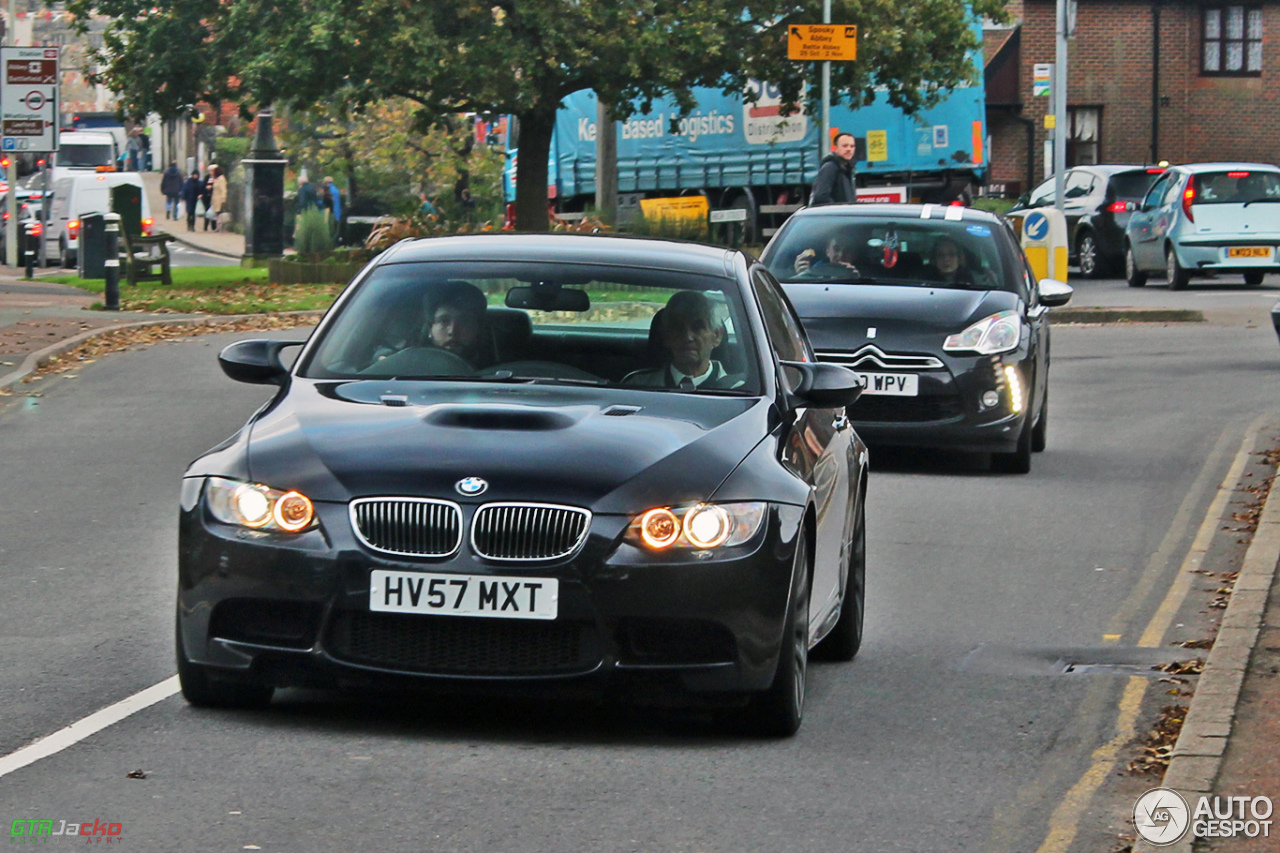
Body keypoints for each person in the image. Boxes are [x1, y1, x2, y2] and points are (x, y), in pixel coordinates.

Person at [624, 291, 743, 390]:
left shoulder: (739, 390)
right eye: (678, 328)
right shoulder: (637, 387)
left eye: (698, 328)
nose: (688, 337)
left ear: (717, 336)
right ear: (666, 337)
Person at [422, 280, 491, 367]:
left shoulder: (495, 370)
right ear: (430, 328)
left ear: (478, 327)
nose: (453, 331)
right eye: (444, 321)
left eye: (464, 321)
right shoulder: (412, 367)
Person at [811, 132, 857, 205]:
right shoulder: (829, 167)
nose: (849, 149)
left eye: (852, 146)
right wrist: (840, 210)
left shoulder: (848, 169)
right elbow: (821, 197)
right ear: (835, 148)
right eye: (845, 146)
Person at [794, 233, 861, 276]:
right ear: (828, 252)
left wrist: (856, 280)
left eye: (847, 250)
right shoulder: (816, 272)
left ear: (854, 254)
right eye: (836, 249)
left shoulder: (867, 277)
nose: (841, 255)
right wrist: (804, 275)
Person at [322, 176, 341, 240]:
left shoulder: (328, 190)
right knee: (335, 231)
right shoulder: (336, 190)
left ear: (326, 182)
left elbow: (326, 202)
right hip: (337, 213)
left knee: (329, 231)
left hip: (330, 213)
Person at [210, 165, 228, 232]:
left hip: (219, 199)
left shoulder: (221, 179)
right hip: (215, 199)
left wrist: (223, 198)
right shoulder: (216, 179)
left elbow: (223, 189)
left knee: (220, 213)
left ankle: (221, 227)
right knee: (217, 214)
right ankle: (218, 227)